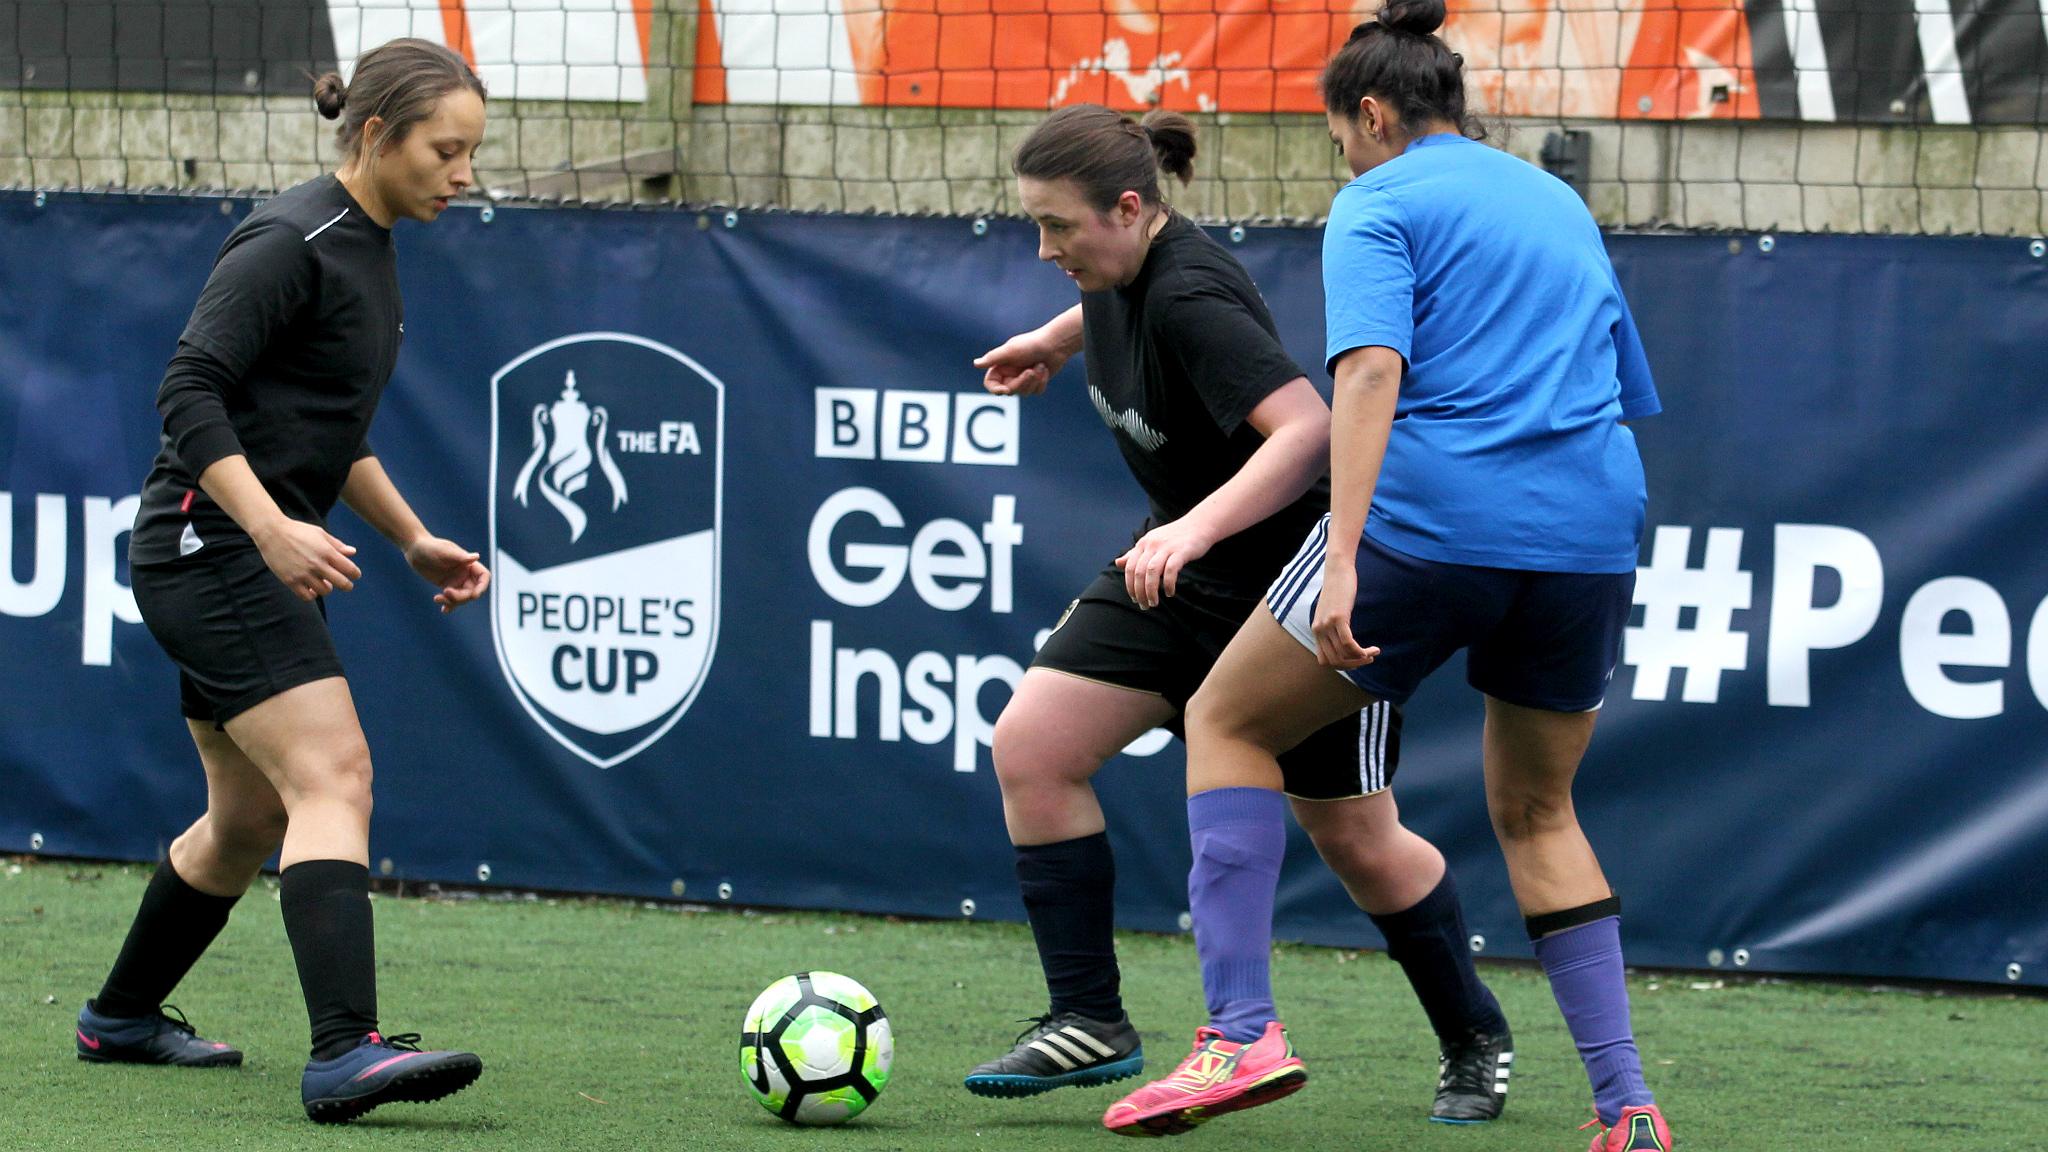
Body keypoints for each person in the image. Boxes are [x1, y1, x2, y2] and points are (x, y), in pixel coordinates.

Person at [1105, 5, 1676, 1148]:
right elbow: (1618, 383)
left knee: (1226, 721)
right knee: (1538, 811)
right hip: (1588, 530)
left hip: (1434, 526)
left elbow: (1367, 375)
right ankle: (1626, 1108)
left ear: (1368, 114)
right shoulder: (1553, 200)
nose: (1343, 160)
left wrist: (1341, 561)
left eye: (1337, 140)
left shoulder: (1377, 200)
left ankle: (1239, 1034)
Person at [965, 103, 1513, 1128]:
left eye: (1058, 226)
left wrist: (1193, 529)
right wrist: (1053, 339)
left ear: (1130, 208)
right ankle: (1089, 1017)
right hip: (1178, 575)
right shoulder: (1120, 268)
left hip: (1289, 591)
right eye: (1035, 224)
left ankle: (1473, 1032)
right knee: (1032, 749)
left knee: (1356, 837)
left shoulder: (1190, 292)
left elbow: (1306, 430)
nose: (1044, 249)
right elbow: (1116, 303)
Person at [74, 38, 495, 1125]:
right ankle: (344, 1049)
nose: (463, 174)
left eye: (471, 153)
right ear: (377, 135)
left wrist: (410, 538)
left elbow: (323, 429)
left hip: (223, 549)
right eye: (445, 151)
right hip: (208, 547)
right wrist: (267, 529)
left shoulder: (370, 246)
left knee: (250, 814)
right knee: (333, 774)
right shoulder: (290, 240)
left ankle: (120, 1016)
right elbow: (189, 390)